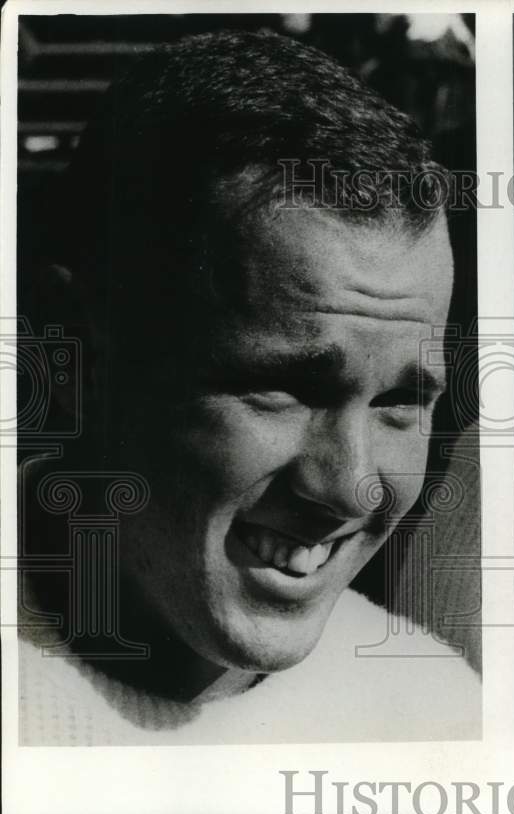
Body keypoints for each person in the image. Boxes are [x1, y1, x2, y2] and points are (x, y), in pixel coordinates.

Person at [17, 30, 480, 744]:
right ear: (72, 356)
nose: (353, 485)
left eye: (400, 403)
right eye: (285, 388)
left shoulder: (438, 718)